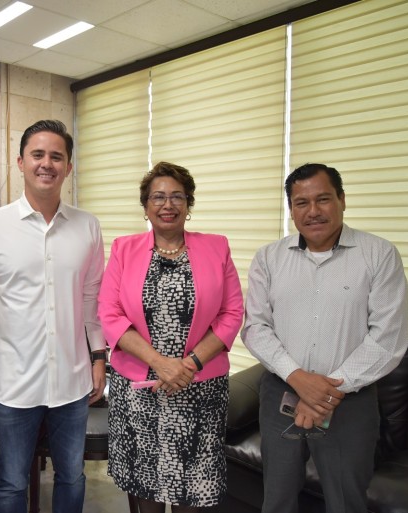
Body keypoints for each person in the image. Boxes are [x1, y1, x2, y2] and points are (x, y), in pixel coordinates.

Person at [242, 163, 408, 513]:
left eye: (323, 199)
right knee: (277, 499)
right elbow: (256, 327)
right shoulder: (268, 258)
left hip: (351, 400)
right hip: (280, 393)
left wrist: (327, 391)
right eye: (301, 203)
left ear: (342, 200)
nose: (313, 211)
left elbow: (388, 337)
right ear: (291, 210)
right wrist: (298, 378)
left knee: (346, 502)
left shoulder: (379, 254)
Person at [0, 119, 106, 513]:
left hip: (73, 380)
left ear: (68, 166)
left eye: (56, 157)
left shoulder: (88, 226)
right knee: (12, 482)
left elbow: (91, 300)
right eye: (38, 155)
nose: (47, 163)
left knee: (72, 476)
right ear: (21, 162)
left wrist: (99, 358)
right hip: (15, 383)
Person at [98, 161, 244, 513]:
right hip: (140, 391)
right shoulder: (124, 249)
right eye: (158, 197)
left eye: (177, 196)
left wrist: (188, 365)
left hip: (200, 390)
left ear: (188, 204)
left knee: (193, 490)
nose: (168, 204)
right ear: (146, 205)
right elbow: (110, 314)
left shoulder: (216, 247)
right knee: (145, 483)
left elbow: (232, 313)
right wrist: (160, 363)